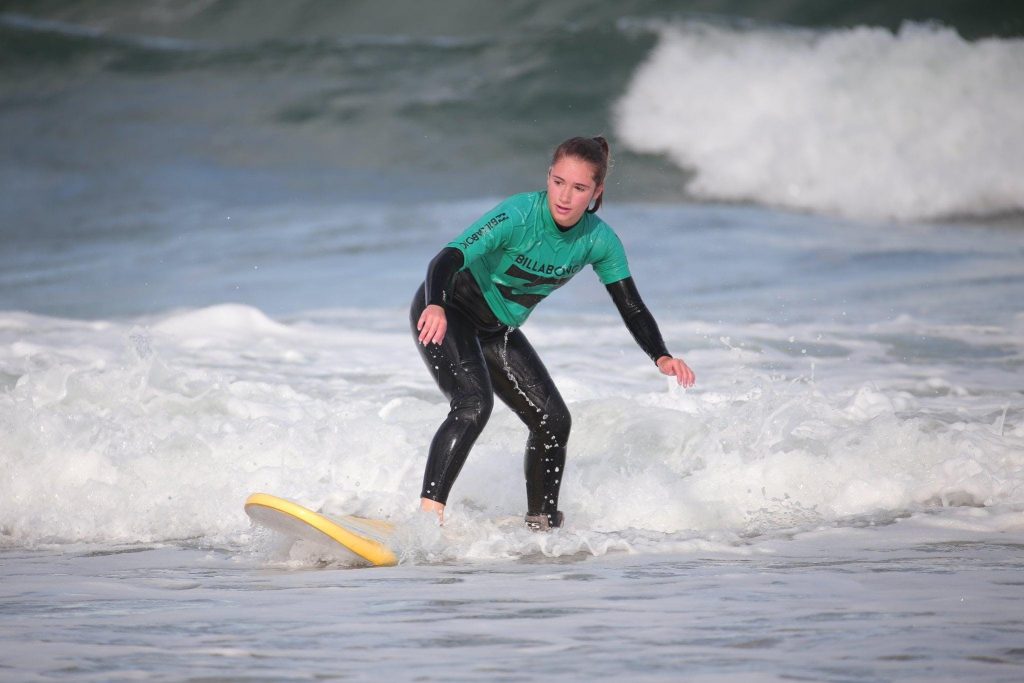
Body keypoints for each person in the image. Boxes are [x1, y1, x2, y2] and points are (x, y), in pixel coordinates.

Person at [410, 136, 695, 530]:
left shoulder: (598, 240)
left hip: (497, 330)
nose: (565, 196)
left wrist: (660, 354)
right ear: (548, 176)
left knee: (553, 421)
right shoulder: (519, 214)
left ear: (596, 192)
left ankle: (541, 525)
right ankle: (427, 519)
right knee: (474, 404)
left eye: (579, 188)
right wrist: (437, 303)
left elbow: (630, 303)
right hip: (448, 310)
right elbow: (449, 257)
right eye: (558, 182)